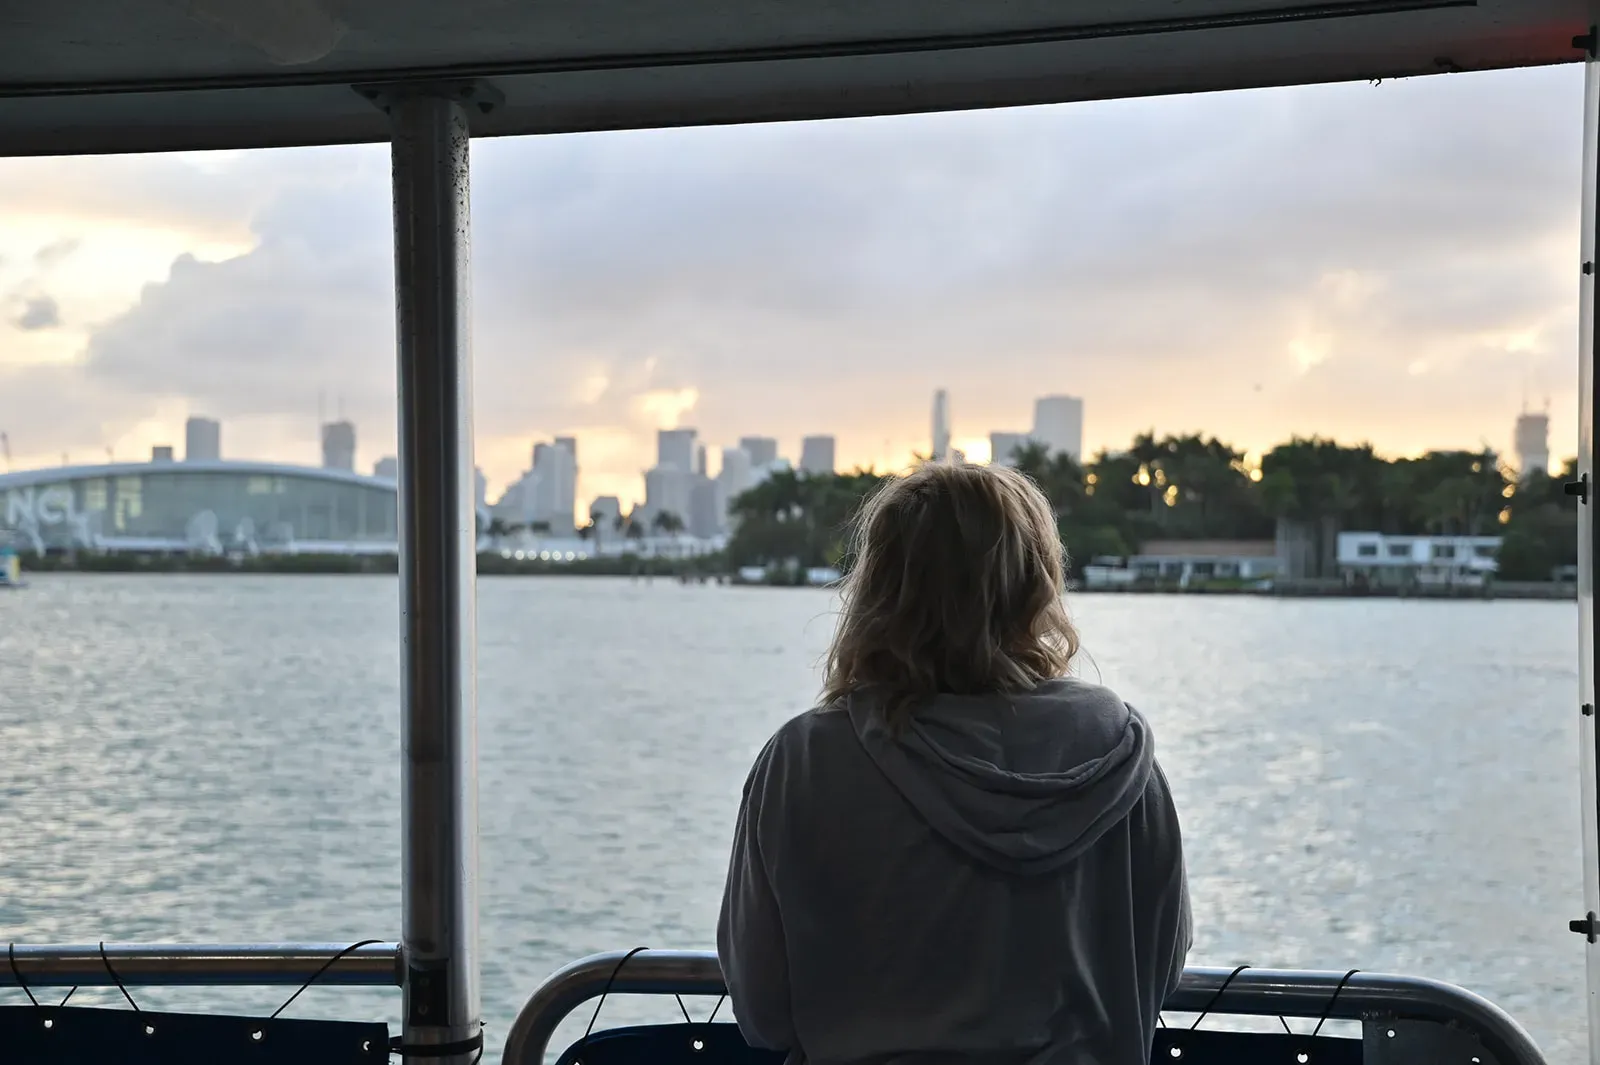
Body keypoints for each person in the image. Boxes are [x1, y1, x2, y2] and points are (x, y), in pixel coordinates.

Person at [717, 461, 1190, 1065]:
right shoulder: (1126, 765)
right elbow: (1162, 970)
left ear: (878, 587)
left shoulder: (803, 763)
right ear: (1035, 586)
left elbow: (762, 1013)